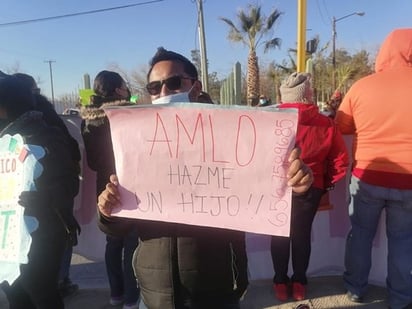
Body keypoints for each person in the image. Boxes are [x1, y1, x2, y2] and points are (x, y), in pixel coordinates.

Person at [96, 47, 314, 309]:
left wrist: (299, 190)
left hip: (216, 288)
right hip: (155, 293)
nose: (163, 93)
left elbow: (270, 202)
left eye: (174, 83)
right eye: (154, 88)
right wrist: (108, 211)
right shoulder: (135, 143)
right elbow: (118, 226)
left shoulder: (234, 136)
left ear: (195, 87)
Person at [335, 28, 412, 309]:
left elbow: (341, 126)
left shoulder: (362, 86)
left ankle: (356, 289)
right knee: (404, 241)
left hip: (367, 176)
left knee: (360, 235)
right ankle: (401, 299)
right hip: (410, 182)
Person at [0, 74, 80, 308]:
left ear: (9, 105)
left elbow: (70, 184)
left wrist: (45, 199)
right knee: (13, 292)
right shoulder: (2, 139)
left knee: (40, 291)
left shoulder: (45, 136)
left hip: (43, 233)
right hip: (8, 235)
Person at [270, 72, 349, 302]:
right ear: (308, 94)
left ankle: (279, 282)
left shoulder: (272, 121)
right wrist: (327, 184)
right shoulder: (326, 123)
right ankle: (299, 282)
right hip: (311, 187)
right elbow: (340, 160)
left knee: (278, 234)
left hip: (276, 187)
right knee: (302, 234)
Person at [80, 70, 140, 309]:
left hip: (102, 188)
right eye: (125, 85)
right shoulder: (127, 115)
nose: (127, 89)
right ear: (118, 90)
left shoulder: (89, 118)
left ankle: (116, 294)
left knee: (113, 243)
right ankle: (131, 299)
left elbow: (93, 163)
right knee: (132, 244)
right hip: (129, 185)